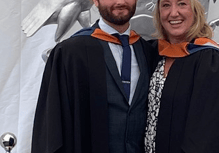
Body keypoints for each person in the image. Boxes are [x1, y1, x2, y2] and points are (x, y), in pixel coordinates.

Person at [31, 0, 158, 152]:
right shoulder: (69, 54)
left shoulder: (148, 53)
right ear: (95, 1)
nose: (121, 1)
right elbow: (51, 127)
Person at [144, 0, 219, 152]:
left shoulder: (211, 62)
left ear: (196, 11)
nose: (173, 12)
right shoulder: (154, 54)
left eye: (182, 4)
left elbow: (212, 135)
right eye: (166, 5)